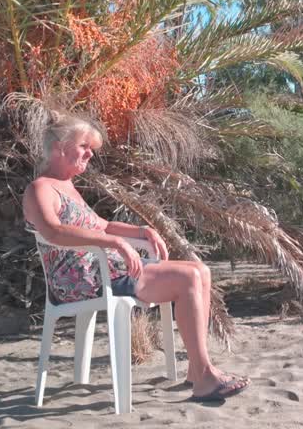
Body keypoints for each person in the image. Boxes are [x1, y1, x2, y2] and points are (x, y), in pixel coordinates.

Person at [22, 113, 249, 402]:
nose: (90, 153)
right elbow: (53, 231)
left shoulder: (68, 187)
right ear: (59, 147)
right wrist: (114, 242)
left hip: (105, 271)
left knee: (201, 270)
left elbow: (101, 225)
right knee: (188, 277)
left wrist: (142, 231)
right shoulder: (40, 188)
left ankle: (196, 369)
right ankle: (204, 376)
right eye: (84, 146)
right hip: (83, 281)